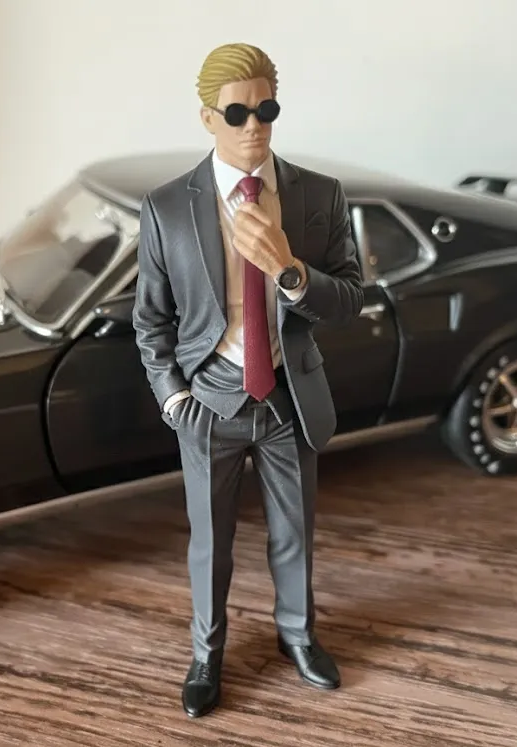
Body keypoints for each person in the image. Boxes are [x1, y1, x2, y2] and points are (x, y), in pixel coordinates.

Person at [131, 42, 364, 718]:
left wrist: (292, 271)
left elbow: (350, 298)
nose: (254, 125)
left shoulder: (318, 195)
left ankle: (298, 634)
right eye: (237, 113)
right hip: (210, 402)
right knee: (211, 542)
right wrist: (174, 398)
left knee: (296, 532)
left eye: (267, 109)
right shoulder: (168, 207)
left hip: (289, 397)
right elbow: (150, 320)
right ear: (208, 118)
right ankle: (207, 653)